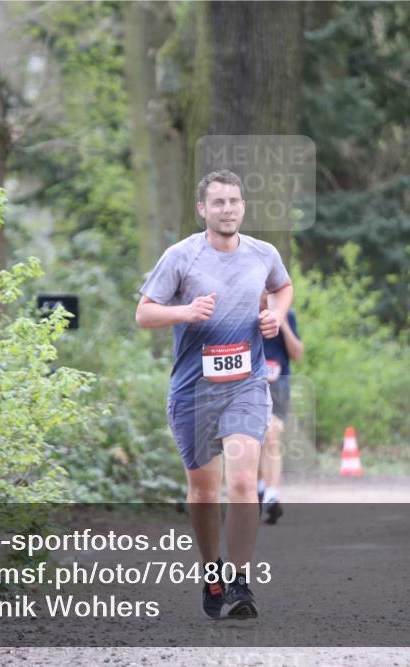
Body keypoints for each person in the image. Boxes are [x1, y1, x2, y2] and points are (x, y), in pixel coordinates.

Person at [135, 169, 293, 620]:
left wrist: (275, 316)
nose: (228, 209)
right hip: (194, 391)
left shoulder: (263, 254)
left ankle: (242, 583)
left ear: (244, 206)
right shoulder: (181, 257)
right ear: (203, 209)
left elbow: (282, 287)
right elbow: (144, 314)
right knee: (204, 494)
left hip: (246, 384)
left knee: (242, 482)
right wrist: (185, 311)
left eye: (235, 201)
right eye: (219, 202)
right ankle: (212, 572)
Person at [258, 307, 303, 525]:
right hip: (245, 383)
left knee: (271, 436)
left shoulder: (287, 314)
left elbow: (297, 354)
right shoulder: (241, 310)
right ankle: (258, 490)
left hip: (278, 383)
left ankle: (271, 495)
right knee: (250, 442)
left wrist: (282, 323)